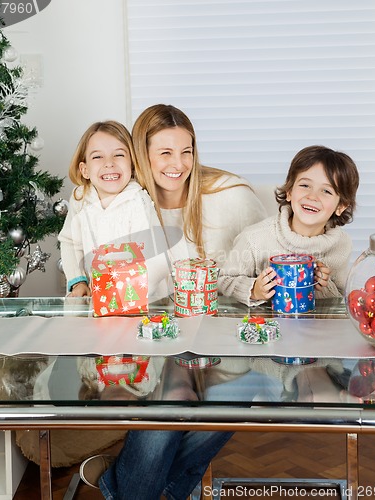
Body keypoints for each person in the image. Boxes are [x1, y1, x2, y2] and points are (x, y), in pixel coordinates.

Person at [80, 104, 267, 500]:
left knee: (235, 398)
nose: (178, 164)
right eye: (164, 152)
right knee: (173, 406)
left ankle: (125, 484)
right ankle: (161, 486)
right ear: (141, 156)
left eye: (187, 151)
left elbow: (260, 269)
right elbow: (94, 264)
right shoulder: (124, 200)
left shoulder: (231, 197)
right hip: (148, 336)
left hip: (221, 333)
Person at [218, 144, 360, 306]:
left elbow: (339, 300)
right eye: (305, 185)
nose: (312, 196)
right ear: (290, 191)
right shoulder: (254, 239)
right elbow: (224, 281)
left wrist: (322, 287)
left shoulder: (341, 244)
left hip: (314, 327)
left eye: (326, 191)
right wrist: (254, 290)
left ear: (341, 206)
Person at [58, 120, 170, 299]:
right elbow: (70, 242)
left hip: (139, 301)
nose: (109, 163)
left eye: (118, 155)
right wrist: (79, 282)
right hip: (96, 300)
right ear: (85, 169)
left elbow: (156, 259)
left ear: (131, 165)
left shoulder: (137, 201)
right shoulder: (80, 198)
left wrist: (124, 293)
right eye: (97, 157)